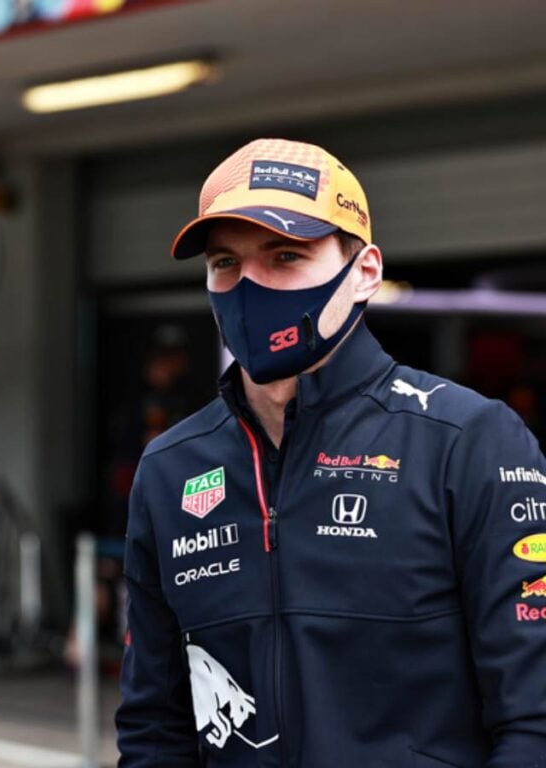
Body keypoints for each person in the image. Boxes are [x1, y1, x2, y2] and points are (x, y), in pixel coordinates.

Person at [116, 138, 546, 766]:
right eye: (226, 264)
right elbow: (156, 730)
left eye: (286, 255)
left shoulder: (468, 441)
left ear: (365, 270)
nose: (250, 284)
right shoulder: (172, 467)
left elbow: (534, 721)